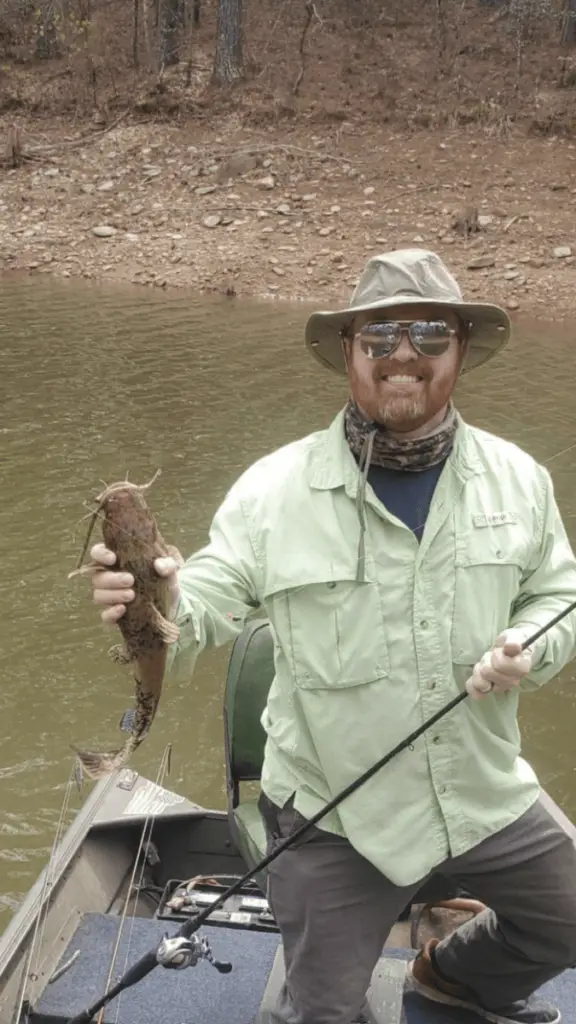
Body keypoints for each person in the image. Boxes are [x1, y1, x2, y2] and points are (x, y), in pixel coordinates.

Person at [88, 249, 576, 1024]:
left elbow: (560, 594)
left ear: (461, 351)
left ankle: (454, 975)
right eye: (379, 336)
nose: (404, 354)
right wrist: (154, 600)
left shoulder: (519, 480)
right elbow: (206, 600)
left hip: (481, 793)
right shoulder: (274, 490)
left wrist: (529, 643)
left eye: (429, 333)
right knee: (318, 1015)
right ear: (348, 354)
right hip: (334, 817)